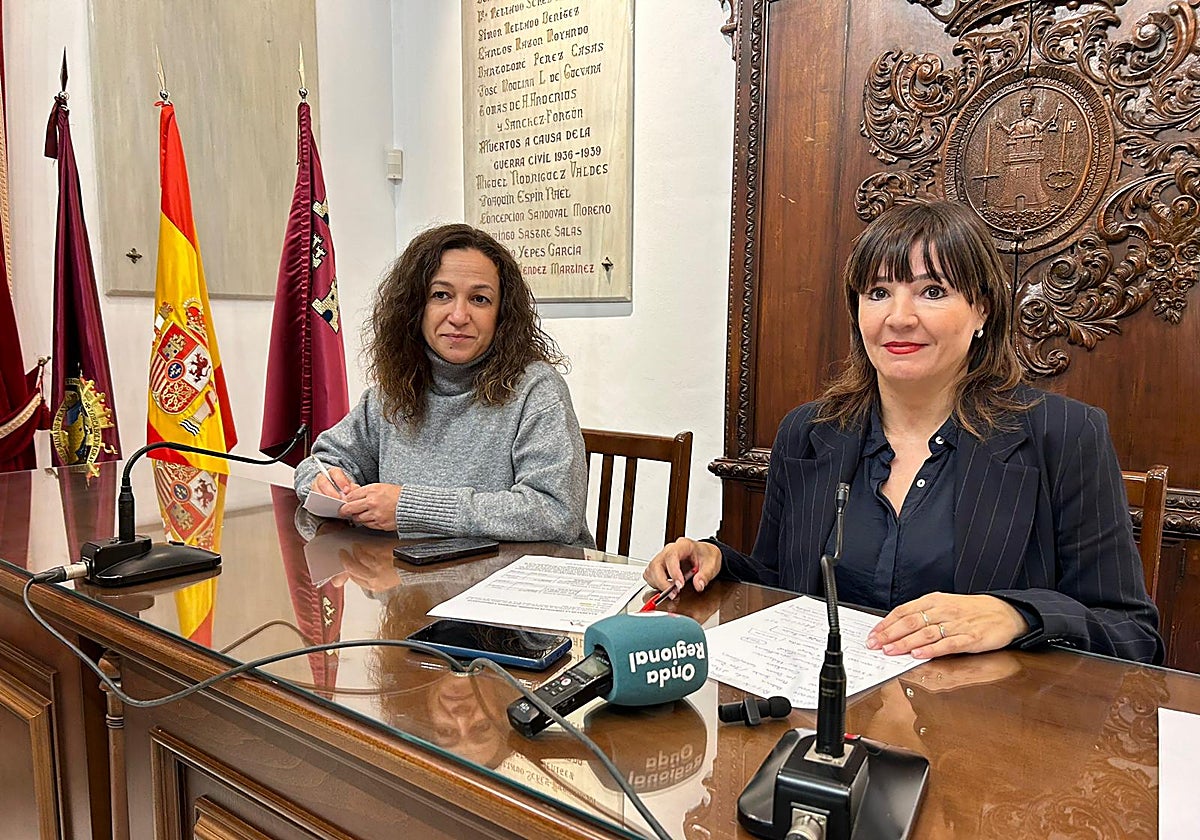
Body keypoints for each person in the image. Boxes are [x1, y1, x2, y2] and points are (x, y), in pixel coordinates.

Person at [645, 200, 1162, 664]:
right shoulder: (808, 432)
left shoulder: (1064, 435)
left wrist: (1017, 615)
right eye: (878, 292)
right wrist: (717, 560)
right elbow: (785, 583)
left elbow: (1131, 632)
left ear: (982, 309)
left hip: (981, 735)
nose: (899, 317)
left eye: (932, 291)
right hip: (825, 716)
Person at [294, 223, 593, 547]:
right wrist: (326, 484)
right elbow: (319, 464)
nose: (459, 315)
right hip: (412, 583)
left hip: (515, 586)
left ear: (502, 314)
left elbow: (555, 513)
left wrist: (409, 508)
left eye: (480, 299)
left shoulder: (536, 389)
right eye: (441, 295)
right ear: (415, 307)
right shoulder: (395, 390)